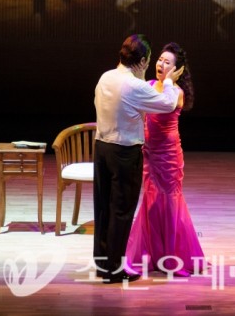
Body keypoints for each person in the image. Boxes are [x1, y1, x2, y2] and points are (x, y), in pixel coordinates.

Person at [93, 34, 184, 284]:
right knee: (121, 210)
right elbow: (167, 104)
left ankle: (103, 264)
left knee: (103, 208)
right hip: (124, 152)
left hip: (101, 148)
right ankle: (114, 269)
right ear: (142, 61)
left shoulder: (105, 77)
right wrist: (168, 81)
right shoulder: (134, 85)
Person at [126, 42, 205, 277]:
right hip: (149, 154)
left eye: (167, 62)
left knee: (169, 201)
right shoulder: (150, 85)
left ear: (177, 69)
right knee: (151, 200)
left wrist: (169, 81)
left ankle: (171, 256)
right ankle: (151, 252)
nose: (160, 64)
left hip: (168, 155)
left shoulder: (176, 93)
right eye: (160, 60)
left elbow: (164, 105)